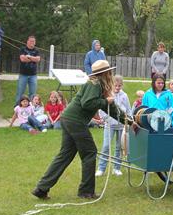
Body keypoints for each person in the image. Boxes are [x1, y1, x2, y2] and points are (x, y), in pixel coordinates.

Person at [32, 60, 123, 200]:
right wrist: (106, 101)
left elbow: (110, 110)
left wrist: (129, 120)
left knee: (65, 155)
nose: (111, 74)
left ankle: (41, 188)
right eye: (109, 71)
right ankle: (86, 191)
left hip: (68, 119)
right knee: (90, 152)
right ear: (105, 73)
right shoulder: (95, 84)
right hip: (75, 121)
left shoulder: (98, 85)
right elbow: (87, 103)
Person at [96, 75, 132, 177]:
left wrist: (129, 122)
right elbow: (101, 108)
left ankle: (116, 168)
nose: (117, 87)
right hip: (109, 124)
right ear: (112, 84)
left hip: (121, 124)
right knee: (106, 145)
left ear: (122, 86)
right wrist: (104, 118)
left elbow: (128, 109)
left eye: (119, 86)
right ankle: (101, 168)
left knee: (119, 147)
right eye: (115, 85)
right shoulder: (107, 94)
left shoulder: (124, 96)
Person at [14, 35, 41, 105]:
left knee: (32, 93)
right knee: (20, 92)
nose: (32, 42)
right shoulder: (23, 49)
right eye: (31, 41)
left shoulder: (36, 50)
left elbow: (38, 59)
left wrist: (29, 57)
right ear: (27, 42)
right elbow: (22, 59)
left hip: (33, 75)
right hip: (23, 74)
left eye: (34, 41)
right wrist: (33, 59)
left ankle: (30, 109)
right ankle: (17, 108)